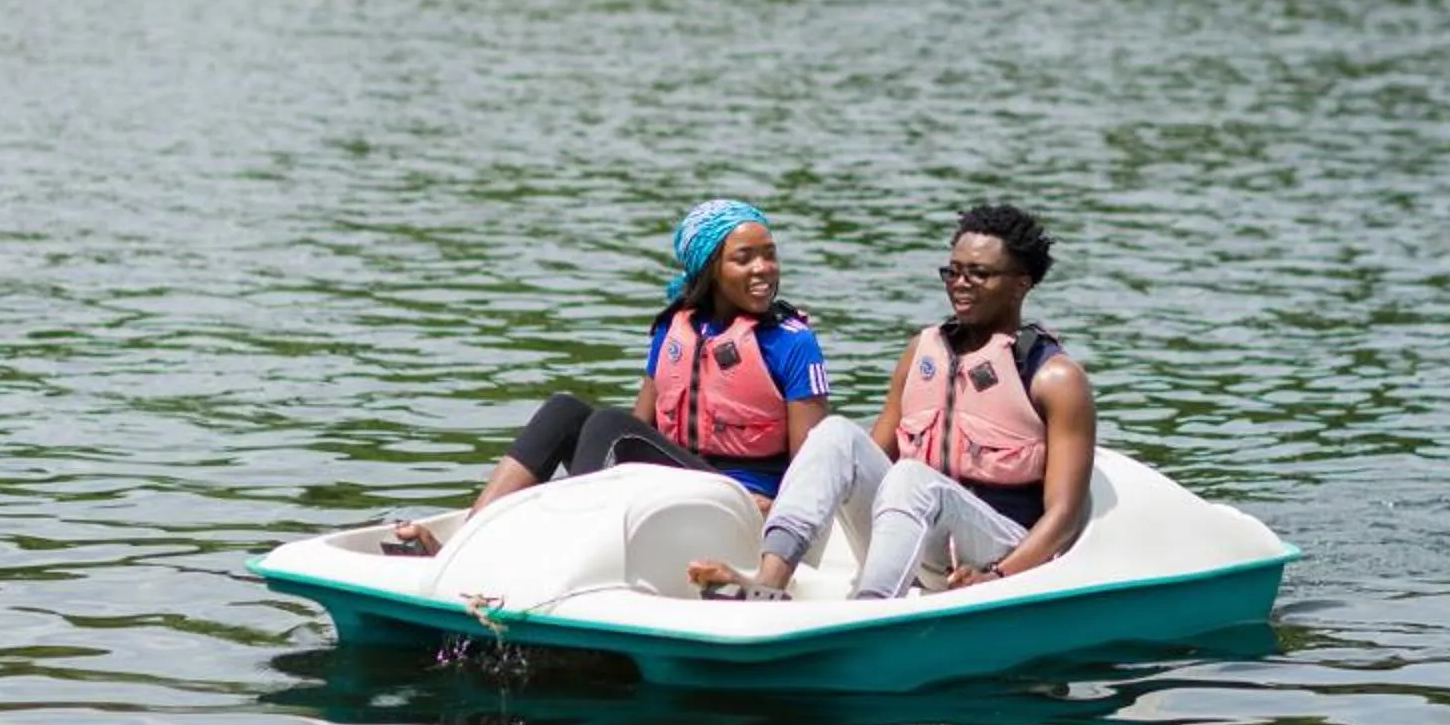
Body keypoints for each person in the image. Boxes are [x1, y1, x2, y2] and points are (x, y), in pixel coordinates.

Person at [688, 204, 1093, 600]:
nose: (960, 283)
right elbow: (867, 459)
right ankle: (770, 582)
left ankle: (873, 607)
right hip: (918, 538)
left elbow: (1063, 517)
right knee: (836, 435)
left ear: (1021, 283)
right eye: (953, 272)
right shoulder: (922, 351)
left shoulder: (1055, 378)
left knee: (913, 478)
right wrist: (786, 500)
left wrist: (997, 575)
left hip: (996, 549)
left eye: (979, 274)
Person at [391, 199, 829, 552]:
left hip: (742, 503)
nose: (763, 269)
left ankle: (565, 548)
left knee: (607, 424)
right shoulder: (674, 329)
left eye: (769, 255)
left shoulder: (792, 342)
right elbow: (642, 430)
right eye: (744, 258)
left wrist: (777, 512)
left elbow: (811, 462)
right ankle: (467, 542)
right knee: (565, 410)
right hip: (676, 485)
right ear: (710, 269)